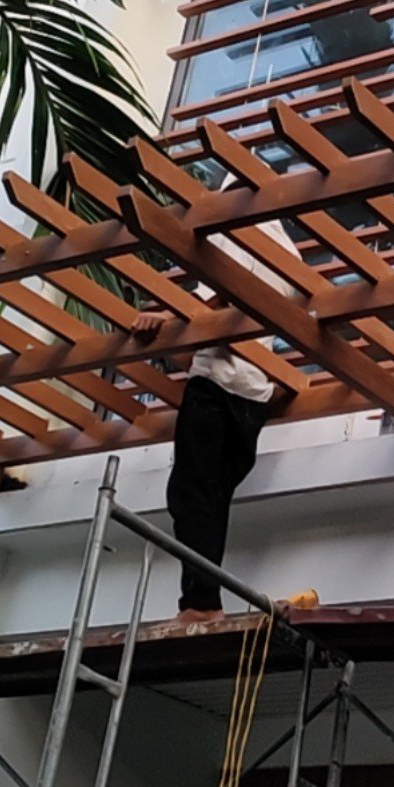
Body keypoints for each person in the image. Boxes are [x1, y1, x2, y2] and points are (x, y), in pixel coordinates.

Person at [129, 217, 301, 623]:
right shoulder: (289, 253)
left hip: (217, 383)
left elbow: (213, 299)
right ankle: (204, 601)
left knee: (191, 496)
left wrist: (164, 318)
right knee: (211, 501)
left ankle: (202, 604)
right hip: (254, 394)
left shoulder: (235, 227)